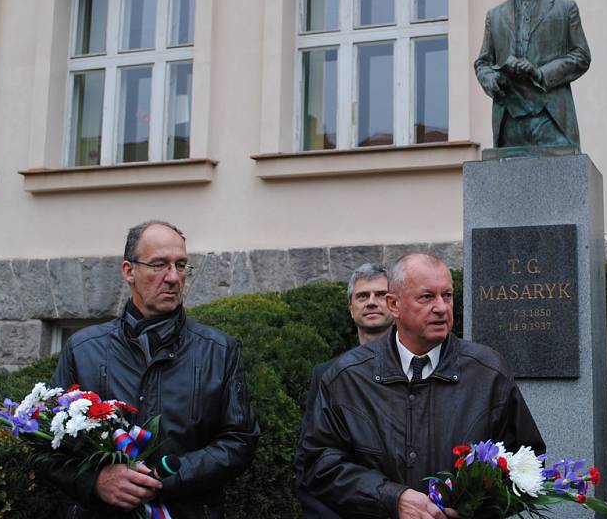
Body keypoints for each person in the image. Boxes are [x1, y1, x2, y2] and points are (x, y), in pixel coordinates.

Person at [301, 253, 544, 519]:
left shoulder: (488, 372)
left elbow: (528, 463)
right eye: (427, 297)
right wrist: (392, 499)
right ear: (394, 305)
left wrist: (476, 508)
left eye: (447, 296)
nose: (441, 307)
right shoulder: (347, 377)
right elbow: (319, 465)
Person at [45, 220, 260, 519]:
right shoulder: (83, 349)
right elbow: (48, 446)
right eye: (159, 264)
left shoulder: (218, 350)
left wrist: (164, 477)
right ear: (129, 271)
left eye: (181, 265)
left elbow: (240, 441)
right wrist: (96, 481)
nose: (173, 277)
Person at [296, 262, 394, 518]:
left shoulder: (419, 366)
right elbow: (310, 460)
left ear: (395, 304)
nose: (371, 302)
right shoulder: (327, 374)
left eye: (380, 294)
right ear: (351, 309)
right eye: (362, 296)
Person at [475, 0, 590, 151]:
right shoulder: (495, 16)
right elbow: (483, 63)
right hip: (510, 117)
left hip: (551, 115)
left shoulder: (565, 9)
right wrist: (491, 79)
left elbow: (581, 55)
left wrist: (540, 73)